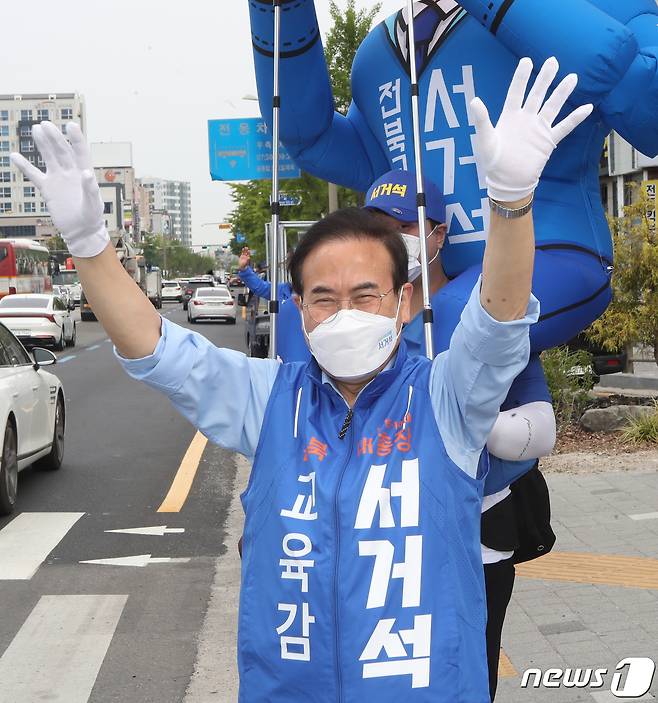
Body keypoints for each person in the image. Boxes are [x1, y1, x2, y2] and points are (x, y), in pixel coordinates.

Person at [12, 58, 592, 701]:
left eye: (366, 293)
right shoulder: (268, 401)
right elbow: (160, 349)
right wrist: (92, 245)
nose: (344, 312)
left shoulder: (445, 398)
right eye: (323, 296)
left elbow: (500, 320)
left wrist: (510, 204)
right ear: (299, 308)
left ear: (404, 303)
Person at [248, 0, 658, 355]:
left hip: (552, 250)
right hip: (431, 276)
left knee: (437, 335)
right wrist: (279, 15)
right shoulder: (378, 52)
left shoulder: (601, 6)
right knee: (316, 331)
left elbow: (648, 107)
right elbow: (315, 140)